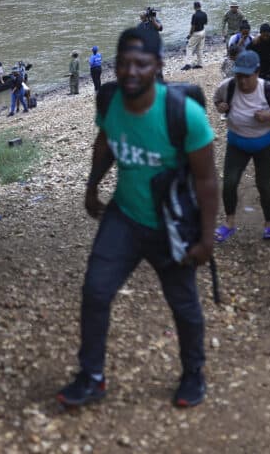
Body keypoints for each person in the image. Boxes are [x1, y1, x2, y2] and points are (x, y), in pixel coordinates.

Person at [57, 26, 217, 410]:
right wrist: (92, 186)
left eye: (141, 64)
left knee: (183, 304)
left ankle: (193, 372)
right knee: (96, 291)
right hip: (124, 217)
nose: (131, 72)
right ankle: (92, 376)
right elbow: (106, 142)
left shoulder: (185, 115)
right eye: (124, 63)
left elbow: (207, 180)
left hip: (171, 225)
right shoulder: (110, 100)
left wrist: (207, 240)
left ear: (158, 66)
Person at [212, 51, 270, 242]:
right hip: (237, 143)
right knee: (229, 183)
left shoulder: (269, 90)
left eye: (246, 76)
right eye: (238, 75)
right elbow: (216, 100)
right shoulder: (228, 86)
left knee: (263, 185)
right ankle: (229, 224)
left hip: (265, 143)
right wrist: (221, 106)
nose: (242, 81)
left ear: (257, 72)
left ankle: (269, 226)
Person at [184, 1, 208, 70]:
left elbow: (193, 26)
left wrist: (190, 35)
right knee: (200, 48)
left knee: (189, 47)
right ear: (200, 6)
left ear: (194, 7)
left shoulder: (194, 15)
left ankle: (188, 64)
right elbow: (205, 23)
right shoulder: (204, 14)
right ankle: (200, 64)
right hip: (203, 31)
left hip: (196, 33)